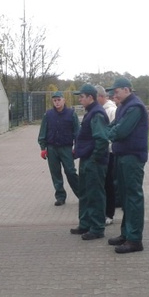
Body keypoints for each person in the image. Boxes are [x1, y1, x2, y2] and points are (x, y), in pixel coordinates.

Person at [107, 77, 149, 254]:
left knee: (132, 197)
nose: (114, 95)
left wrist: (109, 133)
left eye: (116, 91)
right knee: (124, 197)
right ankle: (126, 233)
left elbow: (121, 131)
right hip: (122, 155)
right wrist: (110, 132)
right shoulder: (124, 106)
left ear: (126, 89)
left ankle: (134, 239)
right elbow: (113, 127)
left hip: (132, 157)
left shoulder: (134, 107)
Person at [69, 84, 109, 240]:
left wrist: (94, 158)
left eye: (82, 96)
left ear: (90, 97)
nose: (80, 99)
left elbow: (102, 139)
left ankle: (97, 228)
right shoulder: (90, 113)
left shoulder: (97, 114)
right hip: (87, 159)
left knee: (95, 194)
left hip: (94, 161)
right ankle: (85, 224)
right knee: (85, 193)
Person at [37, 91, 80, 206]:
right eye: (55, 100)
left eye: (59, 100)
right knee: (55, 174)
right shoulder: (48, 115)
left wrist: (77, 147)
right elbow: (43, 132)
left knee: (71, 172)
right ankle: (60, 196)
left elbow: (77, 132)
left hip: (66, 148)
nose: (57, 102)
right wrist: (43, 148)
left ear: (63, 100)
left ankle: (82, 194)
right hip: (52, 149)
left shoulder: (71, 114)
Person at [96, 85, 117, 226]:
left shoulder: (111, 111)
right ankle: (103, 211)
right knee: (104, 184)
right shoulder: (99, 111)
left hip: (110, 152)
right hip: (103, 152)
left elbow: (113, 132)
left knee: (109, 183)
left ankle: (109, 213)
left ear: (101, 97)